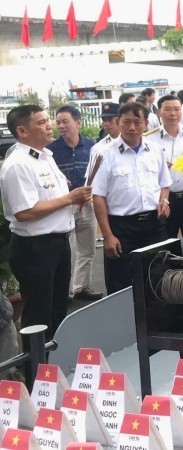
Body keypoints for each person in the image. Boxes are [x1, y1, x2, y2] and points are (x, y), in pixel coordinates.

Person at [0, 105, 93, 340]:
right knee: (39, 315)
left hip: (58, 243)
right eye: (41, 122)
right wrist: (70, 198)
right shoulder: (18, 163)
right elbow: (25, 211)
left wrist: (76, 198)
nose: (50, 126)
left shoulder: (45, 156)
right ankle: (36, 369)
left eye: (46, 120)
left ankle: (55, 367)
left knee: (58, 309)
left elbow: (54, 199)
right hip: (35, 247)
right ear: (22, 131)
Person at [91, 102, 172, 295]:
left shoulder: (155, 150)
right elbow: (98, 196)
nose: (132, 127)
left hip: (154, 225)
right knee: (122, 284)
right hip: (121, 228)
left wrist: (165, 201)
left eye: (137, 122)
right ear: (118, 123)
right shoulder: (103, 154)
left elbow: (164, 184)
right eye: (127, 122)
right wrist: (107, 235)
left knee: (158, 278)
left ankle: (158, 324)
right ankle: (124, 324)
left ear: (146, 123)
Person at [47, 106, 104, 302]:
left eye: (65, 121)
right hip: (64, 206)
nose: (61, 126)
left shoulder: (92, 147)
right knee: (67, 251)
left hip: (87, 204)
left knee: (87, 249)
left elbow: (101, 176)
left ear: (78, 123)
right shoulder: (51, 151)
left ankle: (81, 287)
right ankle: (66, 291)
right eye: (58, 122)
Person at [143, 94, 183, 257]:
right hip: (164, 199)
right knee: (167, 245)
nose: (173, 114)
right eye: (168, 109)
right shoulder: (149, 139)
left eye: (177, 109)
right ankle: (171, 280)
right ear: (159, 112)